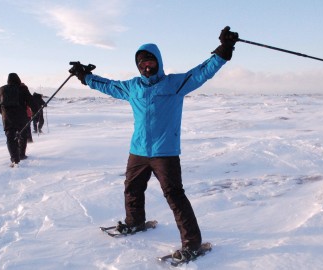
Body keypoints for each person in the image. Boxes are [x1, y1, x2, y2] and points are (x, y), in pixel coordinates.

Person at [70, 26, 238, 262]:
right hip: (138, 150)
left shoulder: (174, 84)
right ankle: (135, 222)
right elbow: (108, 85)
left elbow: (202, 72)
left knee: (175, 196)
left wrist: (224, 50)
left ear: (158, 62)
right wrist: (85, 76)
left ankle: (192, 243)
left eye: (150, 62)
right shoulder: (132, 87)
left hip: (165, 152)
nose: (146, 66)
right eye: (142, 64)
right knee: (132, 188)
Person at [0, 73, 37, 167]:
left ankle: (15, 160)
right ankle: (21, 155)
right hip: (22, 117)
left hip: (7, 118)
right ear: (18, 80)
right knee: (23, 135)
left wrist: (2, 111)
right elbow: (31, 101)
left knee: (10, 137)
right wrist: (35, 112)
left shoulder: (2, 89)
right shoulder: (22, 89)